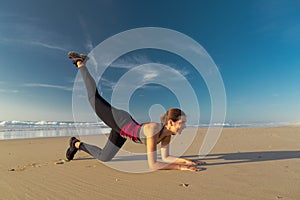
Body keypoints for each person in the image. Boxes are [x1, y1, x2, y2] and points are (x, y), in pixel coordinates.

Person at [66, 52, 205, 171]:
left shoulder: (167, 135)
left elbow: (166, 157)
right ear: (170, 122)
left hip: (123, 130)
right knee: (93, 98)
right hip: (118, 120)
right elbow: (154, 164)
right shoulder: (153, 129)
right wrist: (180, 168)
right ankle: (80, 63)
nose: (185, 126)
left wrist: (186, 162)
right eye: (182, 123)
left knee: (105, 157)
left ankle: (76, 144)